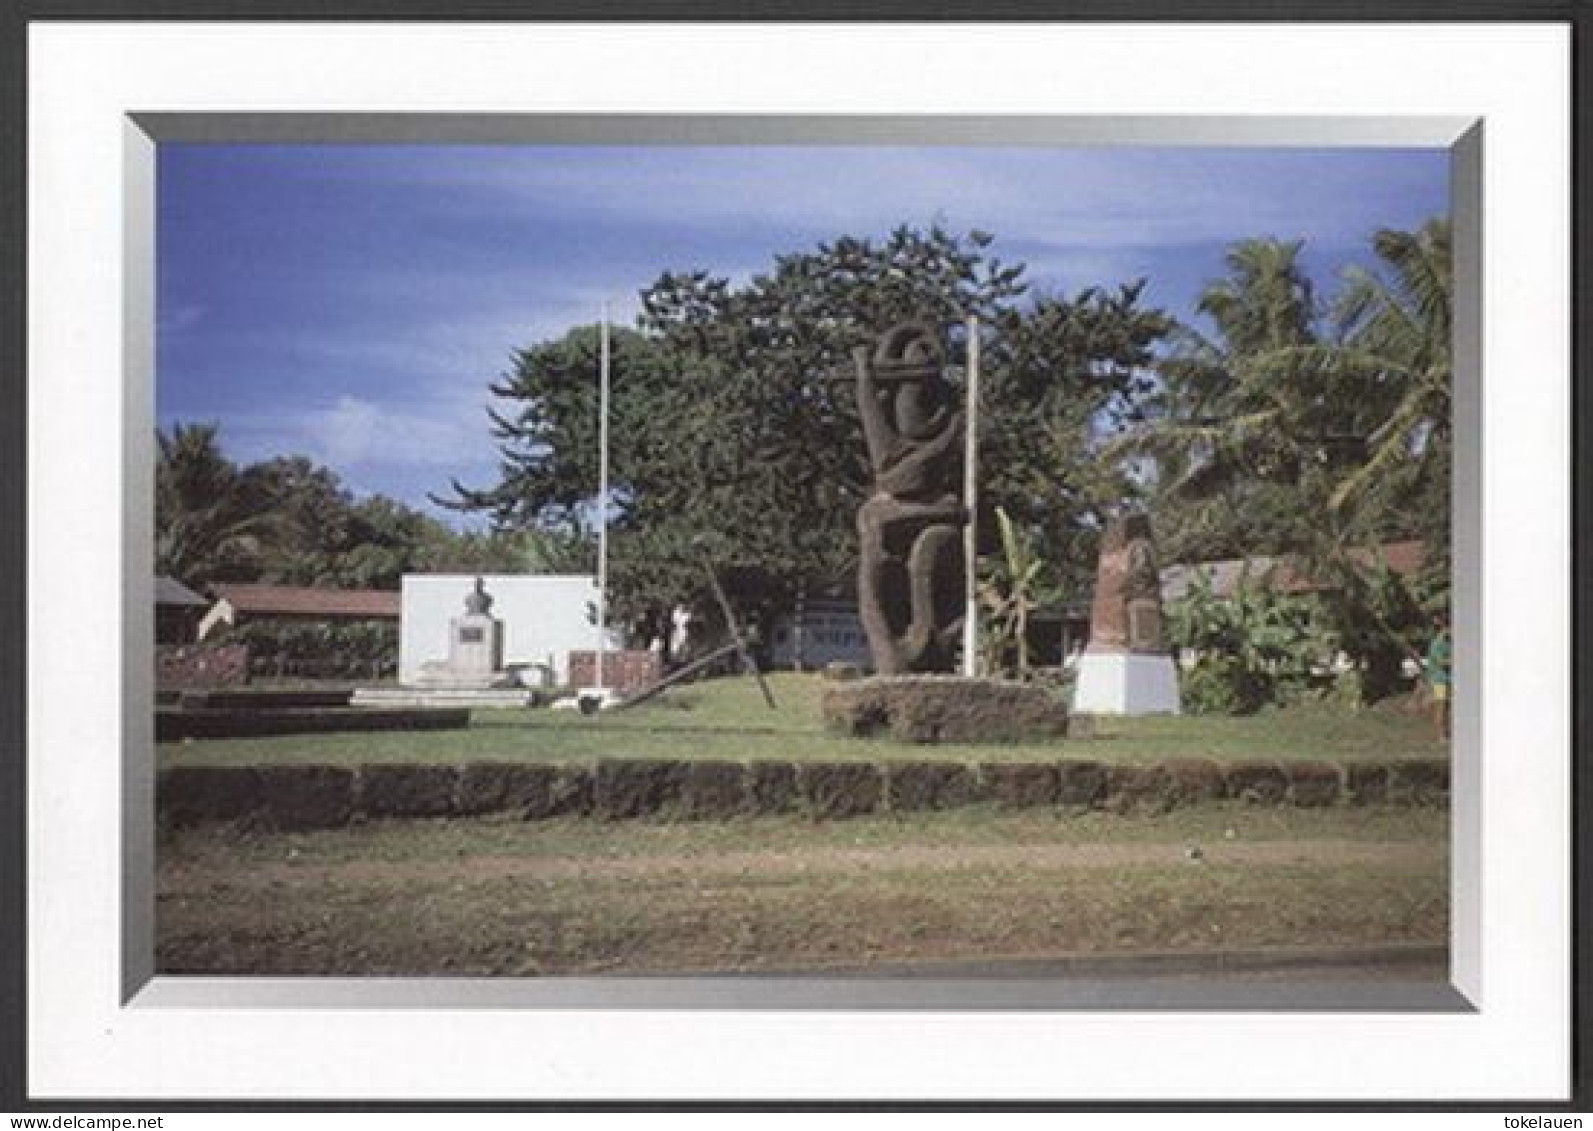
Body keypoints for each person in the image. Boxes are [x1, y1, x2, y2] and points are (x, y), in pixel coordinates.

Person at [1424, 611, 1452, 741]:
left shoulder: (1450, 643)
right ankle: (1441, 735)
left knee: (1447, 706)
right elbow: (1441, 662)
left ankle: (1446, 732)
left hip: (1448, 679)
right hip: (1438, 680)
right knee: (1440, 706)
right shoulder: (1437, 643)